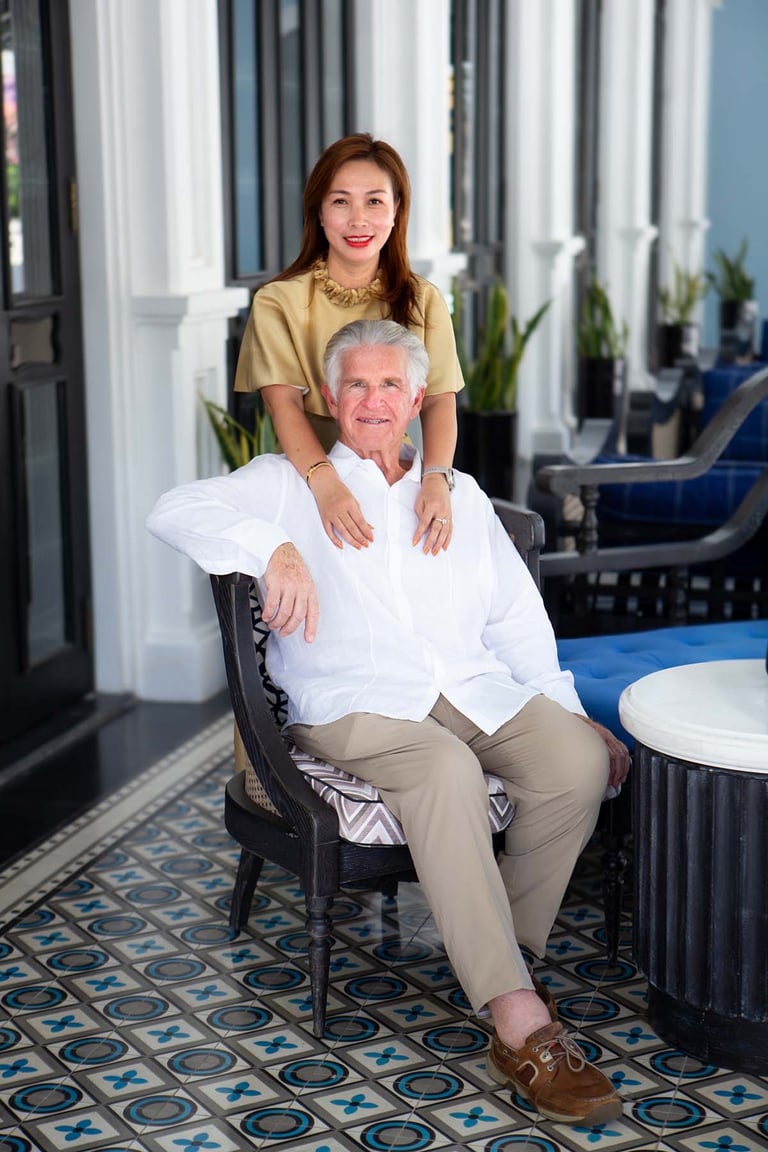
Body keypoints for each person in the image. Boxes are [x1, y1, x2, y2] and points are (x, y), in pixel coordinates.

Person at [148, 319, 630, 1127]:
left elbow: (518, 625)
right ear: (332, 399)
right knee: (444, 770)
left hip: (468, 689)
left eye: (390, 386)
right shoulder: (285, 482)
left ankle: (505, 953)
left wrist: (572, 713)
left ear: (415, 400)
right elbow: (173, 509)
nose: (373, 401)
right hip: (351, 704)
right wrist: (274, 547)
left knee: (576, 760)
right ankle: (517, 1017)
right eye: (357, 386)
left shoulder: (459, 496)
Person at [235, 132, 462, 558]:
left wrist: (435, 477)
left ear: (397, 211)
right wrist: (326, 485)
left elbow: (437, 401)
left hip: (399, 480)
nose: (358, 220)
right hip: (310, 481)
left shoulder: (424, 299)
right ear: (319, 213)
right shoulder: (277, 302)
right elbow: (284, 405)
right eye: (340, 201)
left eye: (374, 201)